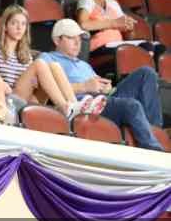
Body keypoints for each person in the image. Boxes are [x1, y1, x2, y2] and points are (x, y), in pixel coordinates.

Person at [40, 19, 165, 151]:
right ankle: (155, 151)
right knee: (132, 105)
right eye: (71, 38)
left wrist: (105, 87)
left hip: (103, 99)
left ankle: (155, 131)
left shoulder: (84, 64)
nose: (77, 42)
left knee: (146, 73)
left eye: (79, 38)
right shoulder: (48, 58)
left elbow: (99, 85)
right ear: (57, 40)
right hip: (83, 104)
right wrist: (84, 86)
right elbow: (45, 89)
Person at [0, 5, 106, 119]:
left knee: (55, 66)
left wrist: (35, 81)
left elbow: (30, 80)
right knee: (39, 64)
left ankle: (73, 106)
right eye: (14, 23)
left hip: (27, 98)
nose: (19, 28)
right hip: (8, 97)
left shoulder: (25, 55)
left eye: (23, 24)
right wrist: (2, 84)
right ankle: (64, 107)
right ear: (5, 26)